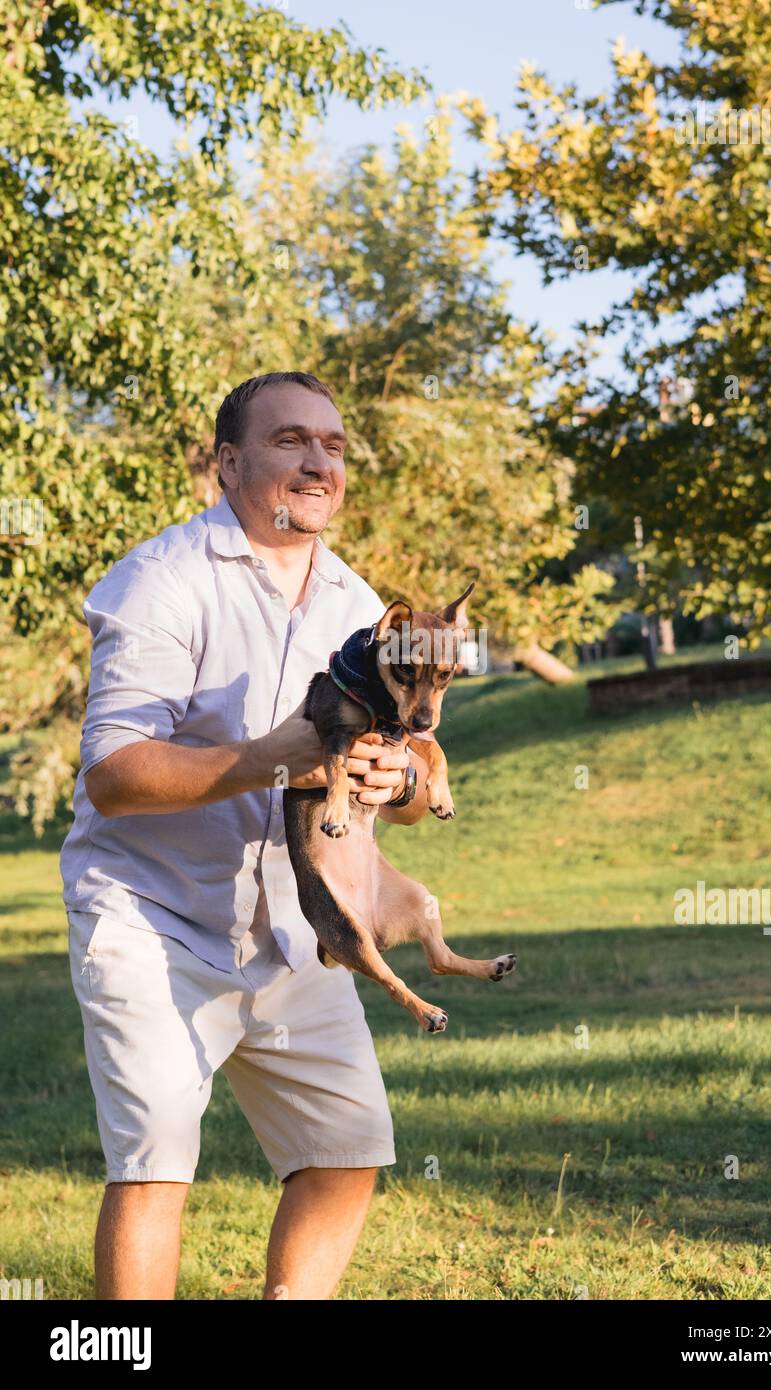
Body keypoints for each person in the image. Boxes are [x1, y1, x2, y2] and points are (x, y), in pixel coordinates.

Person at [61, 371, 431, 1300]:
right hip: (153, 919)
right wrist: (272, 757)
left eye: (334, 447)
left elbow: (419, 762)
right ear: (229, 463)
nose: (318, 463)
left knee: (346, 1151)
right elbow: (112, 775)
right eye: (290, 442)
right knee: (155, 1165)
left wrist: (407, 776)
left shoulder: (357, 602)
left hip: (294, 926)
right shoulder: (161, 581)